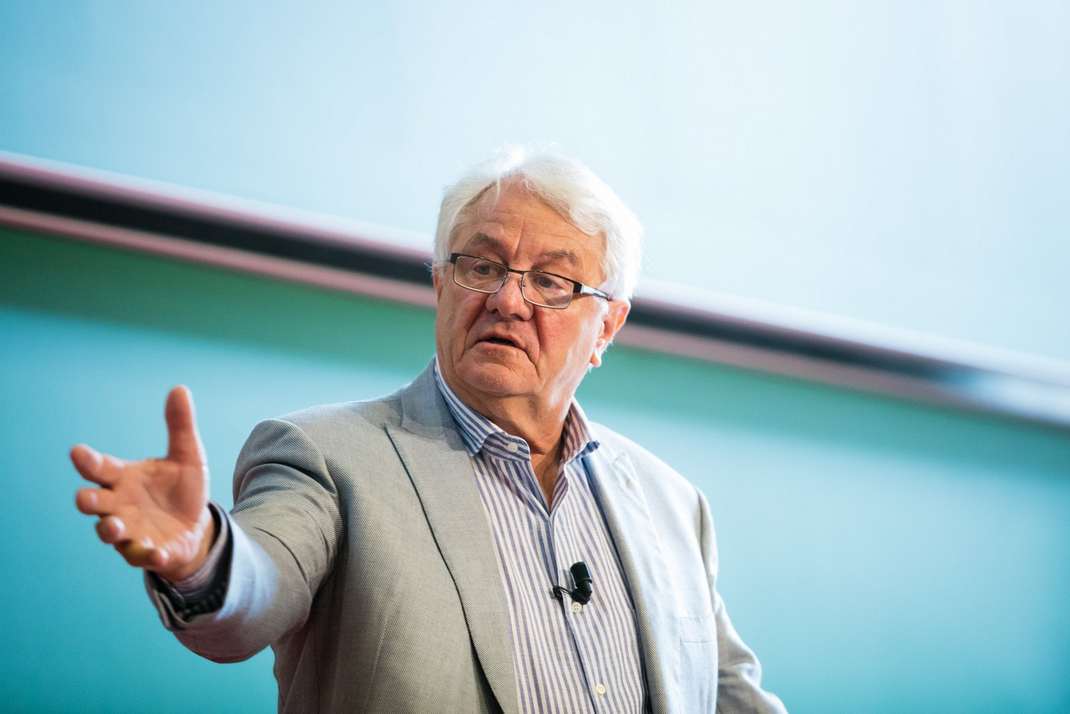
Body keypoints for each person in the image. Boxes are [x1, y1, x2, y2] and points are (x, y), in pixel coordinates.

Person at [71, 147, 787, 713]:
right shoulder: (325, 457)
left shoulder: (672, 503)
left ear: (607, 326)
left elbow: (728, 695)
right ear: (441, 285)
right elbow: (257, 591)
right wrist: (201, 555)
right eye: (482, 266)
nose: (508, 298)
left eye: (552, 281)